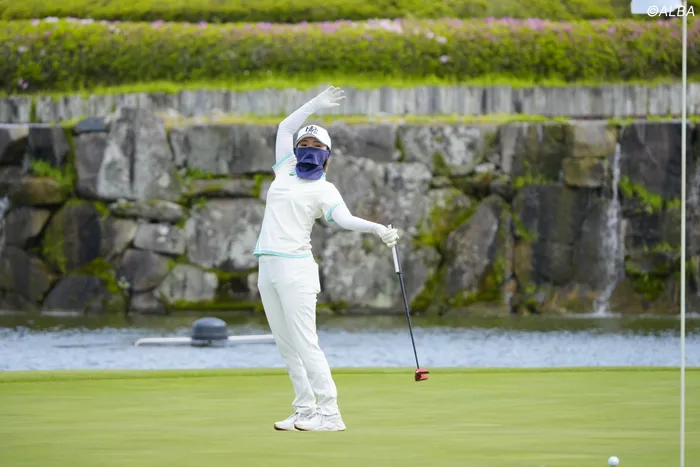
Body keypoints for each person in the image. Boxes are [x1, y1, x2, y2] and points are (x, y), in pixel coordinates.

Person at [254, 86, 400, 432]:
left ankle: (331, 414)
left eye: (316, 146)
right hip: (267, 266)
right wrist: (314, 105)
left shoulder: (325, 189)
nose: (309, 148)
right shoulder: (285, 168)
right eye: (304, 144)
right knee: (287, 346)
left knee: (306, 343)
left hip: (296, 270)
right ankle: (305, 409)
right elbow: (285, 128)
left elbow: (344, 220)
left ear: (327, 155)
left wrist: (377, 229)